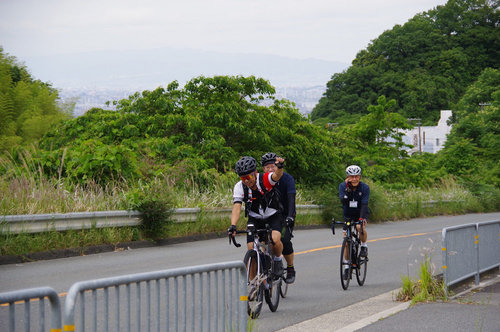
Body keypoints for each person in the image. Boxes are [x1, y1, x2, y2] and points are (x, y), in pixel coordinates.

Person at [228, 155, 286, 277]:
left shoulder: (265, 179)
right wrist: (233, 226)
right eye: (243, 178)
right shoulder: (240, 187)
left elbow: (276, 176)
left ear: (255, 172)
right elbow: (237, 208)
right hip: (255, 217)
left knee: (275, 240)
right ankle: (253, 286)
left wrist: (279, 166)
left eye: (248, 176)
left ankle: (277, 260)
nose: (246, 180)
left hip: (272, 215)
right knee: (251, 249)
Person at [261, 152, 296, 284]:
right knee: (264, 240)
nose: (270, 169)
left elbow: (291, 198)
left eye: (273, 166)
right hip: (268, 215)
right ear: (263, 169)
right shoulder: (261, 180)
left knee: (284, 240)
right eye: (267, 167)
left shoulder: (287, 179)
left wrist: (290, 217)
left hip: (285, 214)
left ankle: (290, 268)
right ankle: (265, 268)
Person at [338, 165, 370, 280]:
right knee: (346, 239)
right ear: (348, 177)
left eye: (356, 176)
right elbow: (343, 200)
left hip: (361, 212)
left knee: (358, 226)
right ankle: (347, 266)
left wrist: (361, 219)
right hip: (348, 214)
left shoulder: (365, 188)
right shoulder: (342, 186)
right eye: (352, 177)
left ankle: (364, 246)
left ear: (360, 177)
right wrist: (347, 189)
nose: (354, 179)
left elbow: (365, 204)